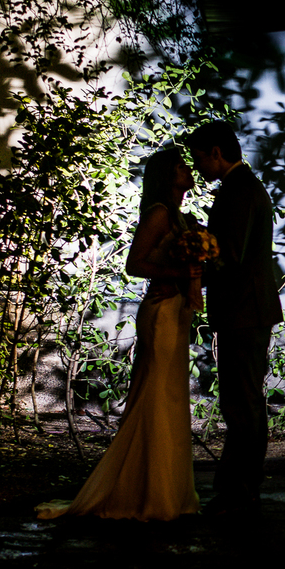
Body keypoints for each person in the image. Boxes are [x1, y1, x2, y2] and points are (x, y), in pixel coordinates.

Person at [36, 148, 203, 521]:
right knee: (156, 395)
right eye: (180, 165)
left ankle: (165, 488)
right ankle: (145, 492)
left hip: (177, 312)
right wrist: (178, 275)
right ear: (165, 175)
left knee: (171, 398)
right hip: (160, 312)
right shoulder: (159, 213)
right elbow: (135, 263)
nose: (187, 169)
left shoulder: (182, 217)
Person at [185, 121, 283, 515]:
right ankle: (239, 482)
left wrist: (196, 256)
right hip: (248, 309)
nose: (197, 168)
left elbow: (232, 256)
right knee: (243, 400)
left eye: (198, 158)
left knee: (241, 401)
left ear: (215, 152)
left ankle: (241, 484)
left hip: (244, 309)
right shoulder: (241, 187)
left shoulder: (239, 191)